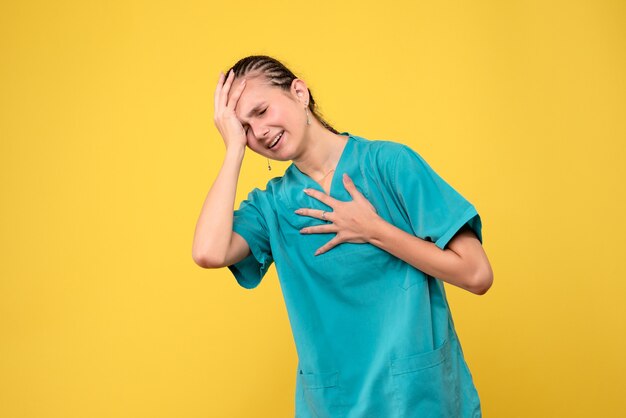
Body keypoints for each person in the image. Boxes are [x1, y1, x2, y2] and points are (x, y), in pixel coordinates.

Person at [192, 55, 494, 418]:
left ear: (299, 93)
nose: (258, 132)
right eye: (243, 128)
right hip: (335, 406)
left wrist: (374, 230)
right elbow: (208, 252)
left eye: (261, 111)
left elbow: (477, 274)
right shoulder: (273, 206)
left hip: (417, 398)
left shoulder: (389, 165)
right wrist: (232, 152)